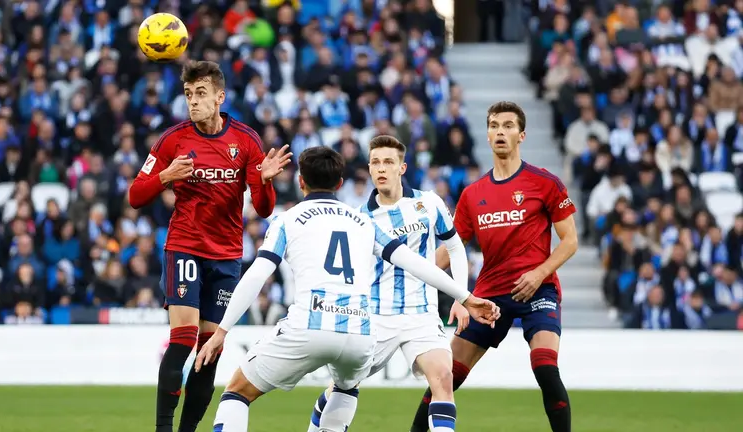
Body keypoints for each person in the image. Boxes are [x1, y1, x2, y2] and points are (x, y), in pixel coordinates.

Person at [195, 146, 501, 432]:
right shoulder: (363, 221)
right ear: (340, 183)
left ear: (301, 182)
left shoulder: (288, 220)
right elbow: (413, 263)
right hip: (358, 329)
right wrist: (466, 296)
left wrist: (221, 331)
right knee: (345, 386)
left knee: (236, 391)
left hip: (309, 323)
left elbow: (257, 274)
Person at [128, 60, 292, 432]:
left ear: (220, 97)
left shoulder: (245, 141)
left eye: (200, 93)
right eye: (188, 94)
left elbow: (264, 209)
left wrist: (264, 182)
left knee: (210, 351)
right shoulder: (173, 139)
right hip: (185, 246)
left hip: (226, 257)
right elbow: (136, 195)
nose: (193, 101)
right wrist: (165, 177)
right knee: (184, 340)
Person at [409, 101, 579, 432]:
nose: (500, 131)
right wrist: (411, 272)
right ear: (487, 135)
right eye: (494, 126)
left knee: (545, 367)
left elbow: (570, 241)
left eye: (508, 126)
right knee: (445, 376)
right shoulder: (473, 194)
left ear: (522, 135)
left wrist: (539, 273)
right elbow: (451, 250)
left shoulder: (545, 183)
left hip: (538, 289)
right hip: (489, 296)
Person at [305, 135, 471, 432]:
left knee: (443, 379)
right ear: (369, 168)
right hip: (376, 317)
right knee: (343, 386)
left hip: (421, 314)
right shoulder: (359, 219)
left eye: (388, 162)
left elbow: (456, 248)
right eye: (376, 163)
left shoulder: (429, 203)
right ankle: (317, 422)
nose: (382, 168)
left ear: (402, 168)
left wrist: (461, 298)